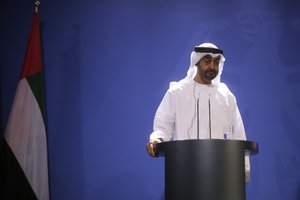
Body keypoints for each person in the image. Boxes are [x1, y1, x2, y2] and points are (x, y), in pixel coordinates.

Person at [146, 42, 250, 183]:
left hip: (220, 175)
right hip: (185, 173)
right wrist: (156, 140)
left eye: (216, 61)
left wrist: (243, 172)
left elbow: (238, 135)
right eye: (207, 61)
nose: (212, 66)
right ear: (196, 61)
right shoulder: (177, 92)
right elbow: (163, 127)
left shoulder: (226, 96)